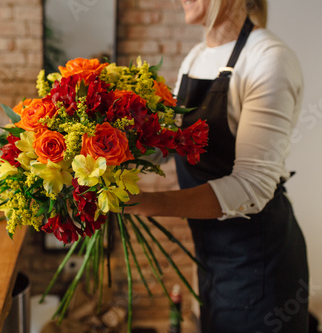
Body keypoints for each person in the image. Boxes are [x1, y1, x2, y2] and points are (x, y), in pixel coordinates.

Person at [126, 0, 309, 331]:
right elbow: (172, 144)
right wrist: (106, 155)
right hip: (211, 258)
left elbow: (251, 186)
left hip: (259, 264)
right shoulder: (196, 58)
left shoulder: (269, 58)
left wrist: (142, 203)